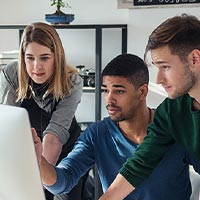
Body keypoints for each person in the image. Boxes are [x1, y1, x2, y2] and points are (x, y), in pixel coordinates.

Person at [33, 53, 196, 200]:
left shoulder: (175, 127)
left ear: (142, 92)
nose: (109, 99)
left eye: (119, 91)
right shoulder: (97, 134)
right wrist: (39, 162)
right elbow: (63, 181)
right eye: (105, 90)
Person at [99, 13, 200, 200]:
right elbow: (140, 163)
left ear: (194, 59)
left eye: (165, 67)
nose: (159, 79)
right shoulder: (171, 111)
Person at [0, 22, 85, 200]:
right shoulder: (11, 75)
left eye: (45, 58)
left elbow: (53, 138)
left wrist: (37, 184)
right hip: (29, 150)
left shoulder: (72, 82)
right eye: (30, 58)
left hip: (65, 152)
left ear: (57, 56)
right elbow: (9, 132)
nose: (36, 66)